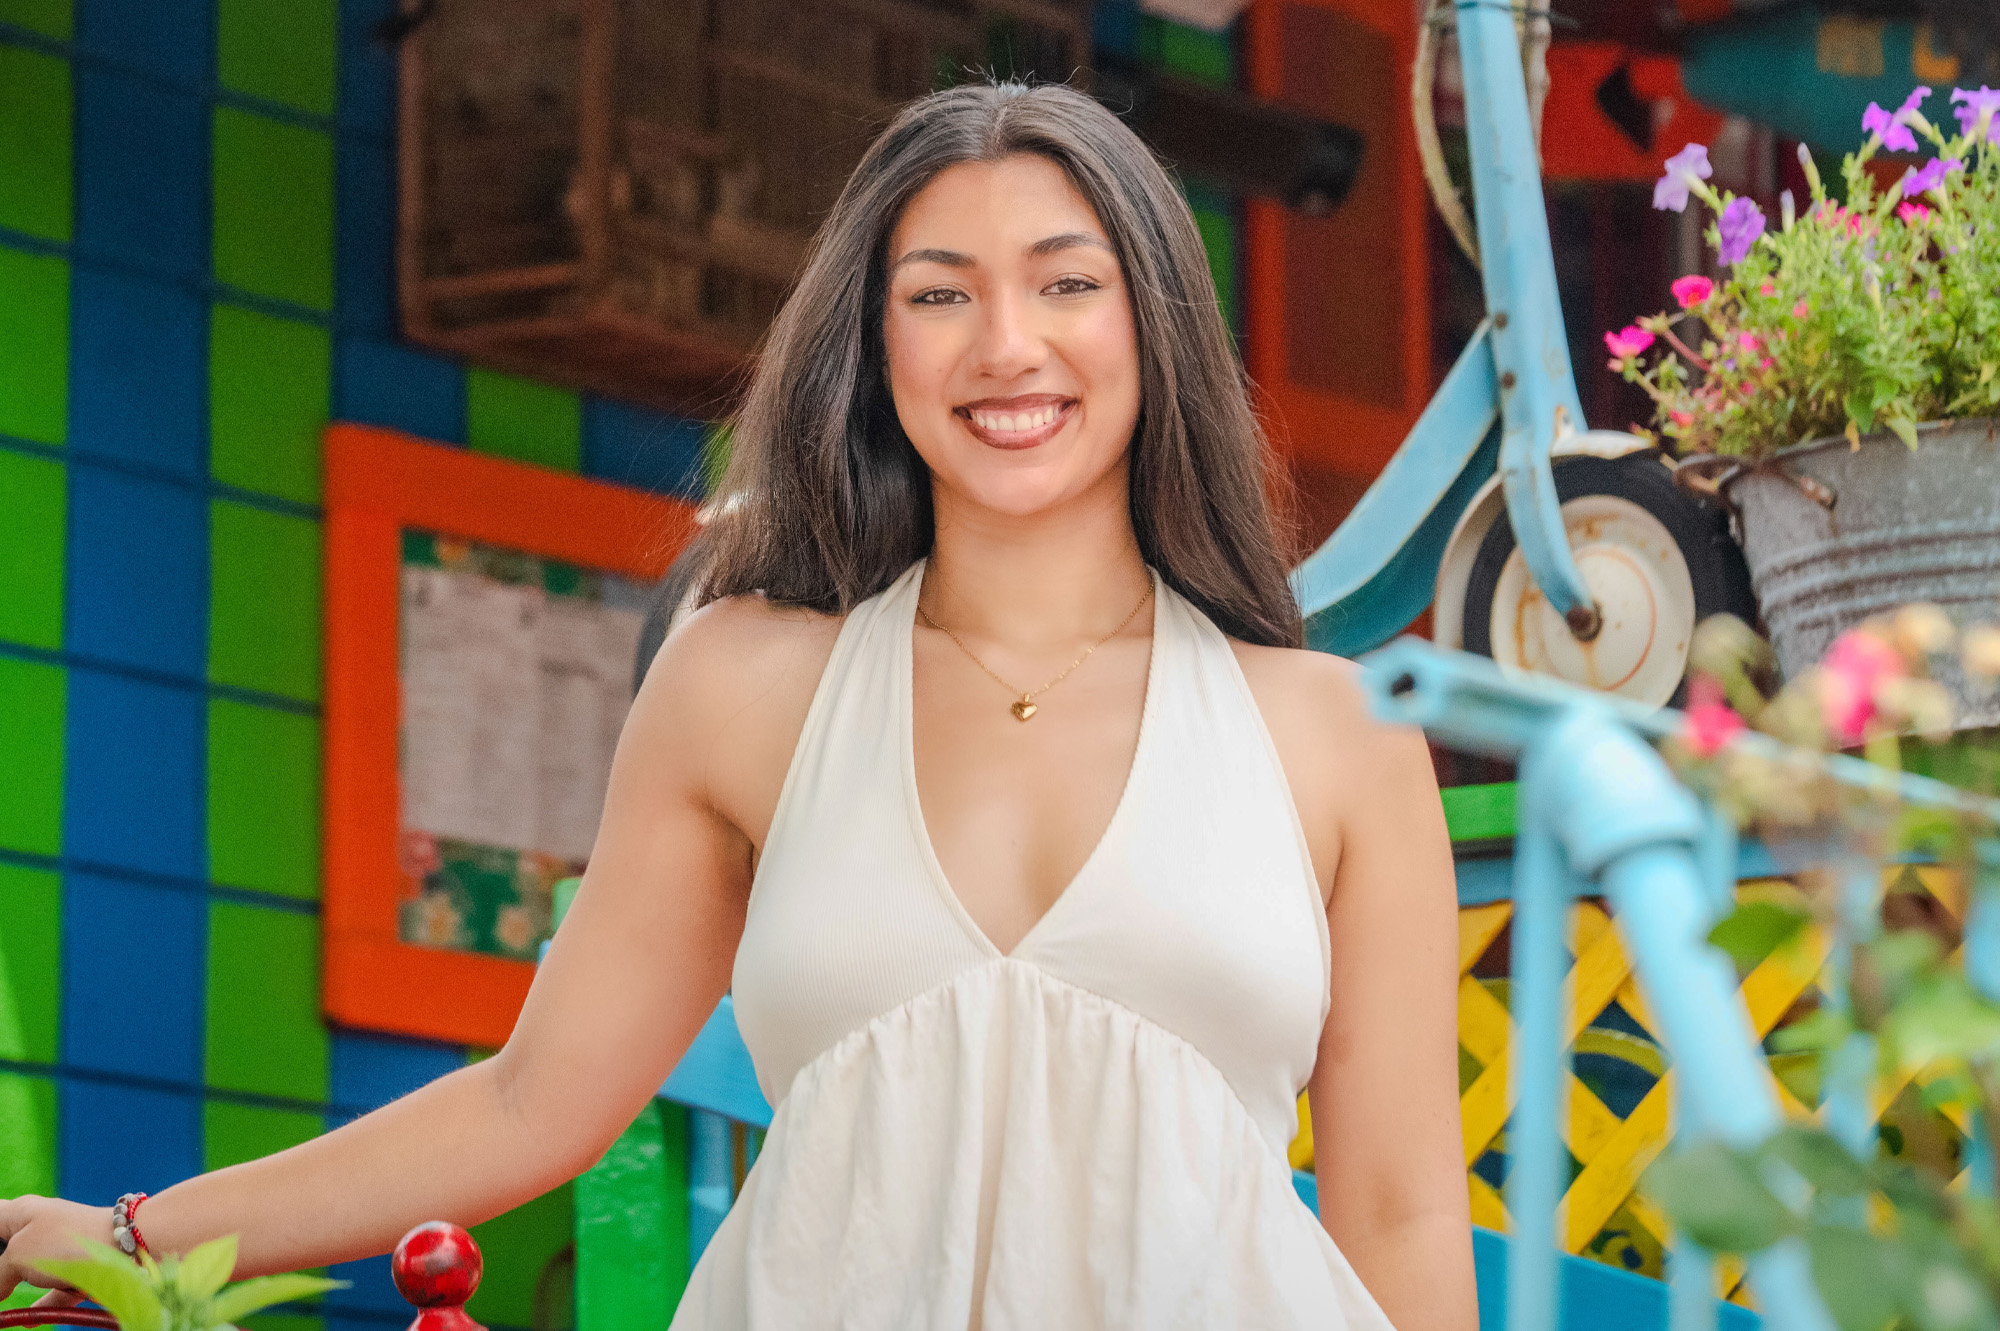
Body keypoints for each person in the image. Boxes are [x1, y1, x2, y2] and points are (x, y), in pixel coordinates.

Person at [0, 80, 1472, 1329]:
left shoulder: (1335, 734)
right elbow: (530, 1105)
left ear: (1154, 324)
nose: (1005, 344)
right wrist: (135, 1241)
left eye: (1067, 283)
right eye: (939, 293)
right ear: (876, 345)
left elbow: (1401, 1215)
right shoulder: (749, 684)